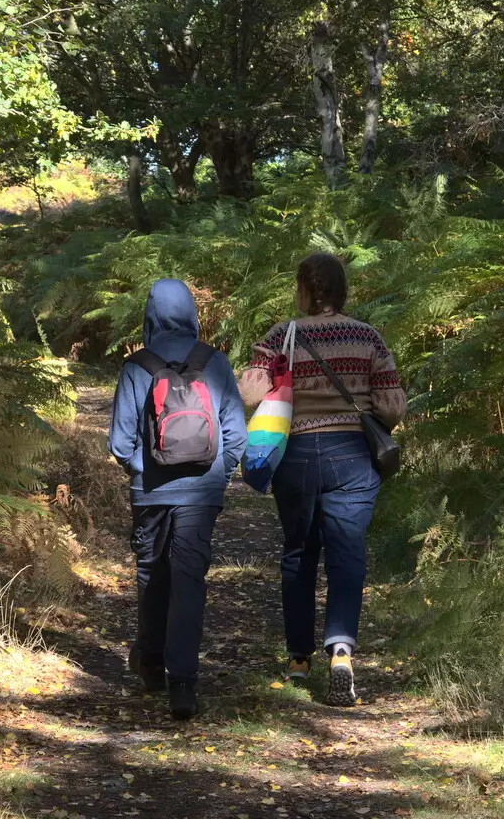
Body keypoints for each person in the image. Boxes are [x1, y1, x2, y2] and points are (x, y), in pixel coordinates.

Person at [238, 253, 406, 706]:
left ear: (304, 290)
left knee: (298, 552)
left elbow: (250, 393)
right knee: (347, 554)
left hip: (295, 457)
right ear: (342, 289)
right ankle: (341, 651)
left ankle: (297, 658)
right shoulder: (366, 336)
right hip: (352, 455)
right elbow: (391, 407)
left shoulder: (280, 336)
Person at [109, 279, 247, 720]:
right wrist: (215, 478)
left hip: (150, 490)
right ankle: (183, 683)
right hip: (202, 491)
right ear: (191, 312)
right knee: (189, 578)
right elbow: (236, 435)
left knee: (152, 571)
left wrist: (142, 470)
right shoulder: (215, 361)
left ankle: (150, 662)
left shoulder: (137, 365)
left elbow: (119, 441)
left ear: (150, 314)